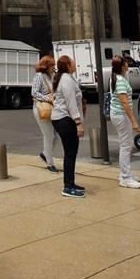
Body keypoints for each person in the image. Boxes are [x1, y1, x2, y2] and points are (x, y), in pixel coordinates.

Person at [51, 55, 86, 198]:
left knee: (71, 153)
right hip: (65, 119)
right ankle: (68, 186)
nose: (75, 62)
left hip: (63, 119)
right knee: (70, 153)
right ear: (68, 65)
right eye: (72, 61)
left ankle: (71, 183)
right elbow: (71, 103)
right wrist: (78, 123)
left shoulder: (67, 78)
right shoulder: (66, 80)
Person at [109, 55, 140, 188]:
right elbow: (124, 102)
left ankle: (125, 173)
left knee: (125, 145)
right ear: (122, 66)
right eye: (126, 63)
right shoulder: (120, 81)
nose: (128, 65)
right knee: (126, 146)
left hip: (118, 115)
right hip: (121, 116)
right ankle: (125, 177)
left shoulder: (116, 78)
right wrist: (133, 121)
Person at [31, 55, 58, 172]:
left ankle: (45, 154)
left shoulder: (51, 76)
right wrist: (48, 98)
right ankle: (50, 163)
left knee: (55, 136)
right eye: (52, 65)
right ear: (46, 66)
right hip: (41, 109)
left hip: (51, 108)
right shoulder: (39, 76)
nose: (54, 67)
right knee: (49, 136)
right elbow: (34, 92)